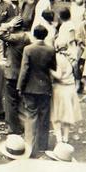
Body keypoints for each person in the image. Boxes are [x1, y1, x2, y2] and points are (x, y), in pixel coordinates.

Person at [18, 25, 57, 157]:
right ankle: (42, 144)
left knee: (31, 115)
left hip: (30, 87)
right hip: (45, 86)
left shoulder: (28, 49)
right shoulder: (51, 50)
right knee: (44, 116)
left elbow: (24, 70)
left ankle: (29, 144)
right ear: (45, 35)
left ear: (34, 35)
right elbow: (53, 67)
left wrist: (20, 86)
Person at [0, 17, 31, 135]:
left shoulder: (15, 37)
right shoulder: (26, 36)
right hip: (22, 71)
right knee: (21, 101)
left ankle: (12, 128)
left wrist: (7, 24)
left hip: (12, 73)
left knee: (10, 102)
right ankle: (22, 125)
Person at [50, 44, 82, 144]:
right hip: (70, 88)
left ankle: (59, 139)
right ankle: (66, 138)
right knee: (67, 115)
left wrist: (49, 70)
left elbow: (59, 75)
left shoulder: (58, 58)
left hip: (60, 88)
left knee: (56, 115)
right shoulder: (71, 57)